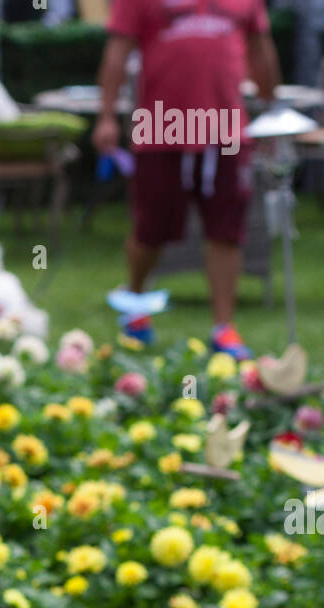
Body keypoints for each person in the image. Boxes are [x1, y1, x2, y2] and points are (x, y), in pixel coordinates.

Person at [95, 0, 281, 358]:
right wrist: (106, 116)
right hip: (159, 128)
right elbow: (117, 53)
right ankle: (136, 306)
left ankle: (224, 329)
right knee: (151, 229)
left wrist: (272, 111)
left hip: (226, 131)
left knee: (227, 230)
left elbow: (260, 51)